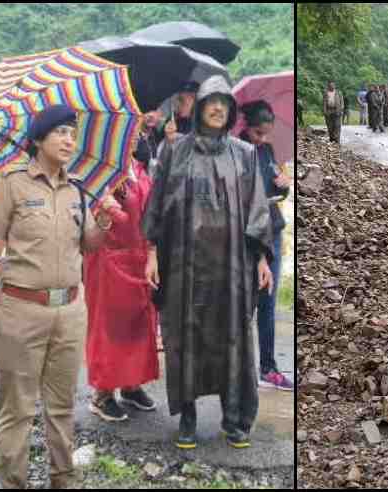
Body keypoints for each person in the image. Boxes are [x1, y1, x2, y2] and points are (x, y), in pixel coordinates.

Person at [0, 104, 111, 489]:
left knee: (62, 405)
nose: (70, 140)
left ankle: (63, 478)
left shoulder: (77, 189)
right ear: (38, 140)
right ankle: (12, 480)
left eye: (72, 133)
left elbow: (88, 246)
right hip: (19, 310)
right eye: (61, 133)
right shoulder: (11, 184)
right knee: (17, 407)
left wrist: (101, 223)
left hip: (69, 310)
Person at [142, 75, 275, 450]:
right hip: (185, 265)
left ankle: (233, 419)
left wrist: (261, 258)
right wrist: (152, 253)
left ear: (231, 110)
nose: (217, 107)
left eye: (224, 102)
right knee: (186, 337)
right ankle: (187, 417)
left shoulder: (244, 154)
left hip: (231, 266)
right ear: (199, 106)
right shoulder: (175, 151)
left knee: (232, 337)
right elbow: (157, 205)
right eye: (210, 101)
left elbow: (257, 210)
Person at [85, 132, 161, 422]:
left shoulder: (139, 170)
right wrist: (106, 203)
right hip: (107, 260)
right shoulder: (98, 175)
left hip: (139, 258)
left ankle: (131, 383)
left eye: (138, 133)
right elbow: (101, 218)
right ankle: (102, 394)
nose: (135, 138)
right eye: (129, 134)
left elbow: (151, 212)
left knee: (140, 323)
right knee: (108, 326)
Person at [239, 100, 295, 392]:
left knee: (268, 304)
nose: (262, 139)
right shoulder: (237, 151)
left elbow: (276, 189)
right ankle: (238, 368)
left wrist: (284, 184)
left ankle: (269, 367)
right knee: (244, 305)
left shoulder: (266, 150)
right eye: (258, 133)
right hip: (249, 238)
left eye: (266, 133)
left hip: (272, 231)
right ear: (246, 126)